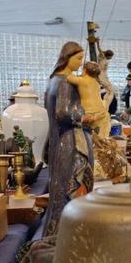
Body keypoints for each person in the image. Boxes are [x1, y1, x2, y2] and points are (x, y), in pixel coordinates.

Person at [43, 41, 94, 237]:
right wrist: (84, 116)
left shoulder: (53, 80)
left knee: (60, 188)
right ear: (67, 58)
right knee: (72, 187)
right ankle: (70, 237)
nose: (81, 63)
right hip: (72, 141)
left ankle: (55, 235)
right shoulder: (66, 81)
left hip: (59, 140)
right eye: (78, 58)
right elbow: (63, 112)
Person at [66, 61, 110, 138]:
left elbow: (68, 78)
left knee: (87, 137)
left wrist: (69, 70)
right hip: (101, 112)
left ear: (85, 70)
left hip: (89, 113)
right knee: (100, 138)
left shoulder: (81, 81)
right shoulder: (96, 83)